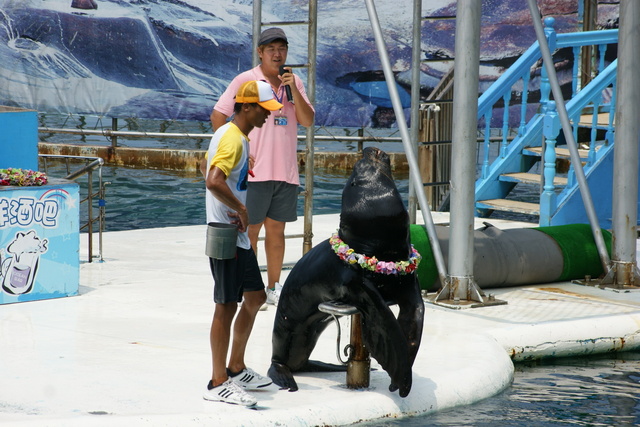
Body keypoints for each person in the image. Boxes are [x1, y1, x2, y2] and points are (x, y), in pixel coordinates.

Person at [211, 27, 315, 307]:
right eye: (271, 49)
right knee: (250, 231)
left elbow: (307, 120)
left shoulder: (293, 82)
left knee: (277, 232)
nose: (277, 54)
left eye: (282, 48)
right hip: (254, 172)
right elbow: (219, 114)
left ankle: (273, 286)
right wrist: (235, 149)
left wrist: (293, 88)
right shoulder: (247, 80)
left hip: (285, 170)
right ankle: (250, 286)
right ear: (260, 52)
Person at [201, 80, 283, 406]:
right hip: (225, 233)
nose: (268, 116)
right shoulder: (233, 139)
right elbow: (213, 180)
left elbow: (219, 173)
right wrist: (241, 208)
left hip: (237, 234)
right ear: (247, 107)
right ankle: (217, 381)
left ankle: (236, 367)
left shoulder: (238, 137)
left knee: (255, 296)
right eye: (264, 110)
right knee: (226, 305)